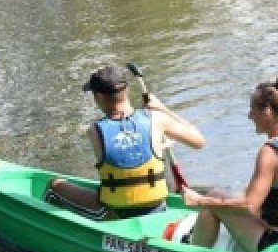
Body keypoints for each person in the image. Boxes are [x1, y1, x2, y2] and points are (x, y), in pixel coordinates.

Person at [181, 73, 278, 252]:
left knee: (213, 199)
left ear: (267, 112)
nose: (249, 116)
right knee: (236, 197)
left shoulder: (270, 152)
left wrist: (200, 200)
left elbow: (249, 206)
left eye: (252, 109)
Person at [46, 64, 205, 220]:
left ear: (99, 97)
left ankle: (55, 228)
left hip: (114, 213)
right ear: (127, 91)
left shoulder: (94, 130)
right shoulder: (157, 119)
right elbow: (199, 141)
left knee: (54, 185)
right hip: (157, 208)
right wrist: (163, 109)